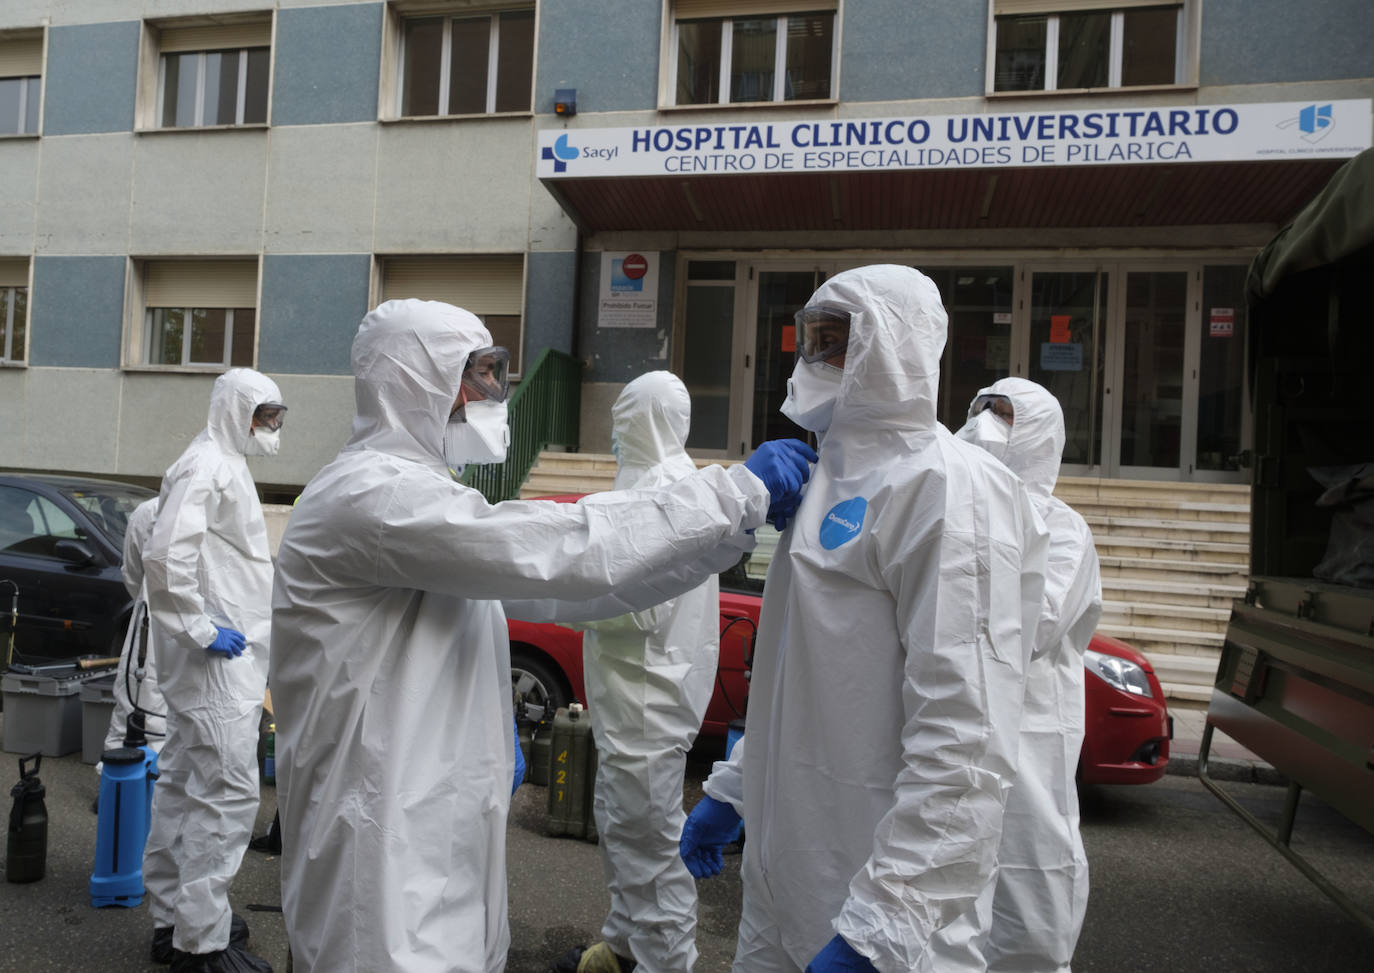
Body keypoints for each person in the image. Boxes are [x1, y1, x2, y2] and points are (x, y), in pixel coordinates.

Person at [268, 298, 814, 973]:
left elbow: (577, 583)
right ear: (416, 380)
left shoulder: (416, 497)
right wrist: (737, 495)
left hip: (427, 822)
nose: (496, 393)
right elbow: (561, 547)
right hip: (377, 842)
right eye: (480, 374)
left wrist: (722, 533)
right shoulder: (374, 497)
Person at [679, 264, 1049, 972]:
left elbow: (965, 736)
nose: (818, 360)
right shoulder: (821, 480)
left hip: (883, 917)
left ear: (898, 345)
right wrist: (732, 789)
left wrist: (884, 926)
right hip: (785, 885)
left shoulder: (949, 489)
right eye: (811, 340)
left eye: (839, 340)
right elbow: (800, 682)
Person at [555, 371, 724, 973]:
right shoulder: (669, 483)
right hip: (636, 695)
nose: (614, 432)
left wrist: (564, 595)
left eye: (623, 417)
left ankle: (662, 962)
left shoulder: (667, 493)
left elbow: (641, 604)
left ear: (642, 419)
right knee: (625, 832)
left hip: (650, 698)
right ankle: (624, 947)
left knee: (651, 849)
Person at [141, 368, 286, 973]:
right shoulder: (209, 466)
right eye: (263, 416)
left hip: (212, 663)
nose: (271, 429)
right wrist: (199, 629)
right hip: (216, 667)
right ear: (236, 410)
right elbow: (164, 551)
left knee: (181, 786)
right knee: (223, 795)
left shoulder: (221, 461)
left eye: (276, 417)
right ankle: (200, 946)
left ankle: (176, 919)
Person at [956, 378, 1103, 973]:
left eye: (1006, 418)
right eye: (981, 411)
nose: (987, 427)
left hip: (1030, 743)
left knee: (1029, 903)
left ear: (1040, 435)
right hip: (956, 736)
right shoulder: (951, 510)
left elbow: (1032, 630)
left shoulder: (1063, 530)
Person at [98, 497, 167, 767]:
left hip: (175, 621)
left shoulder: (219, 512)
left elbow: (132, 573)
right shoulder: (151, 511)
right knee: (138, 703)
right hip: (152, 625)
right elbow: (133, 572)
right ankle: (121, 780)